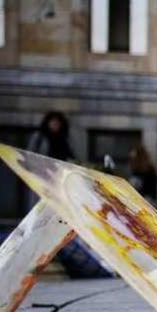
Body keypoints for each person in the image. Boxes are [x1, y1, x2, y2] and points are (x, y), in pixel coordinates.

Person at [26, 111, 113, 278]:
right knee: (40, 220)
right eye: (53, 122)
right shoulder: (39, 137)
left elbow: (71, 159)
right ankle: (37, 257)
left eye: (58, 122)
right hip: (43, 183)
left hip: (60, 185)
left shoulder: (64, 139)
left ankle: (54, 255)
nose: (55, 125)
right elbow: (29, 160)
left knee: (59, 219)